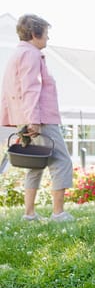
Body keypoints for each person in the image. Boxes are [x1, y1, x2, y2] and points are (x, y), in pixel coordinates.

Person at [0, 14, 74, 222]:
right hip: (39, 118)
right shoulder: (31, 54)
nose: (48, 39)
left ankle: (29, 214)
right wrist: (33, 120)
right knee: (61, 160)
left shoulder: (18, 54)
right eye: (46, 35)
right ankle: (58, 213)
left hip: (26, 116)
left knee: (35, 162)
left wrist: (23, 119)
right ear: (35, 34)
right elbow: (31, 88)